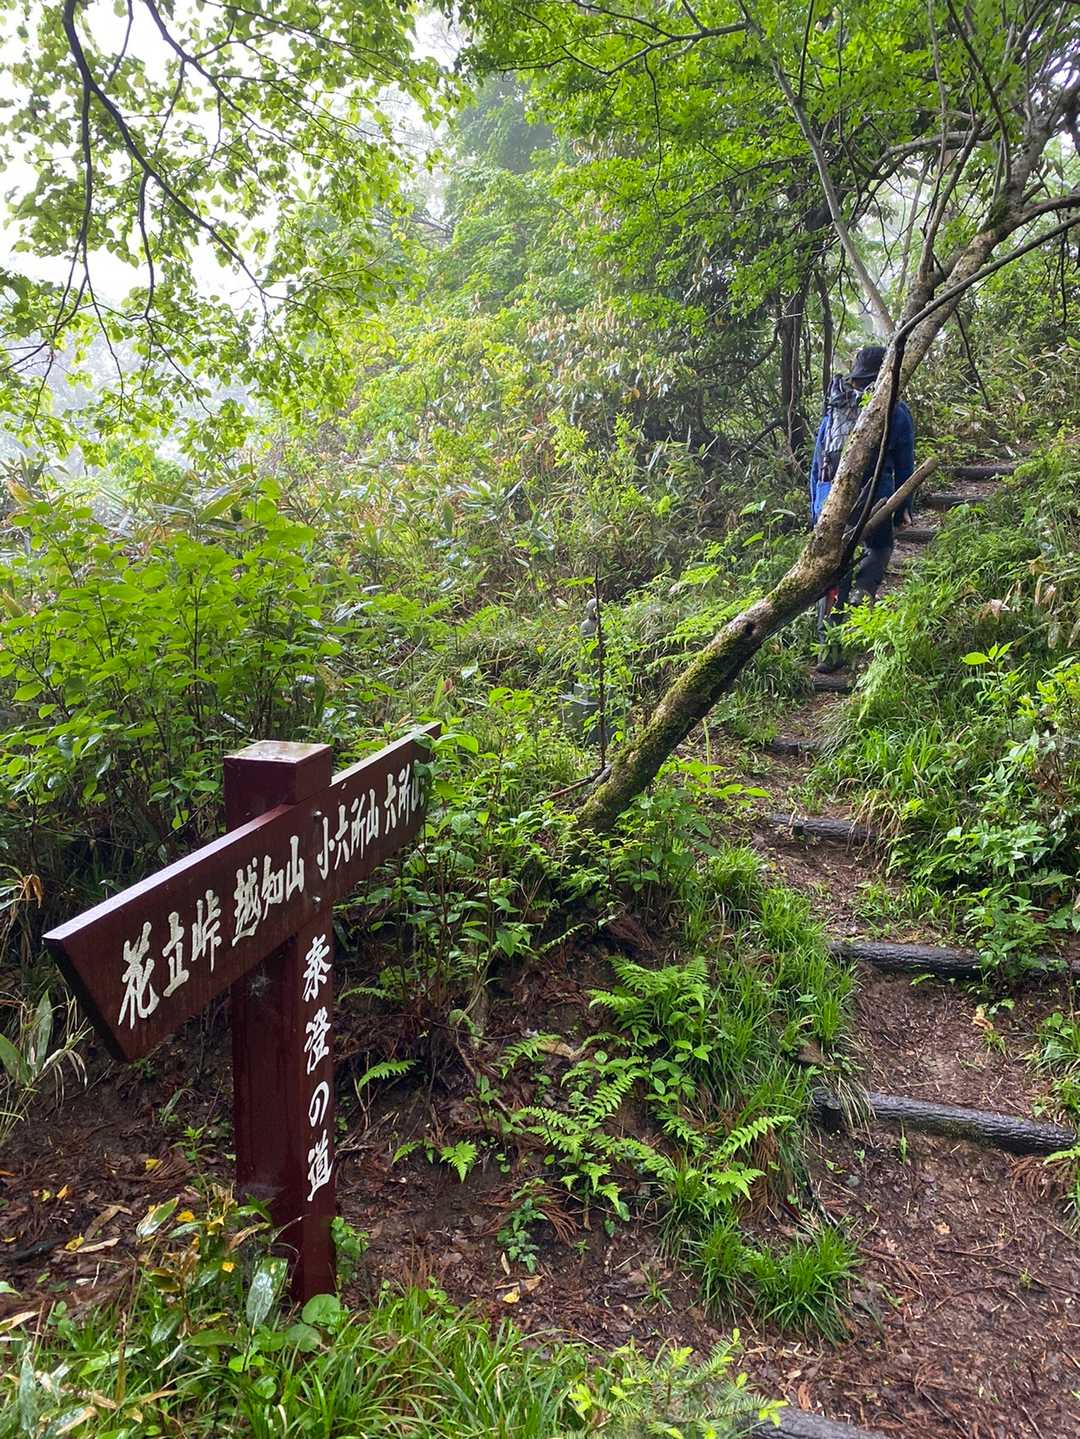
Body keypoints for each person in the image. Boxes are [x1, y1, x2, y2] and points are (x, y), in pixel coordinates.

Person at [808, 344, 915, 673]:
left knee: (832, 571)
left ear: (855, 376)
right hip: (872, 500)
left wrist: (816, 508)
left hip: (828, 501)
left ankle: (828, 652)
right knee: (880, 548)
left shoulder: (836, 407)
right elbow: (904, 466)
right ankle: (862, 593)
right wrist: (903, 508)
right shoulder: (895, 410)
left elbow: (817, 463)